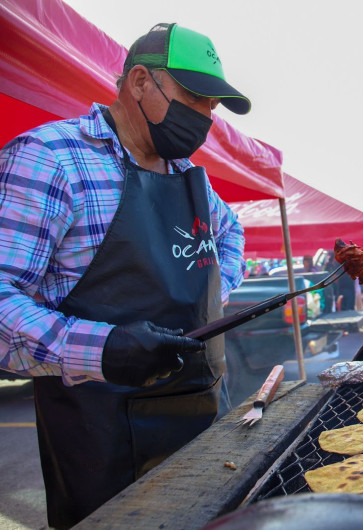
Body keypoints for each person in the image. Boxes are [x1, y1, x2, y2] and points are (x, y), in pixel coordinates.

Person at [0, 23, 250, 528]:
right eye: (195, 97)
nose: (206, 116)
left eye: (213, 105)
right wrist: (104, 348)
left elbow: (231, 237)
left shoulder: (187, 175)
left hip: (205, 421)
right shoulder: (51, 159)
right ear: (139, 82)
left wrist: (210, 296)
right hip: (103, 440)